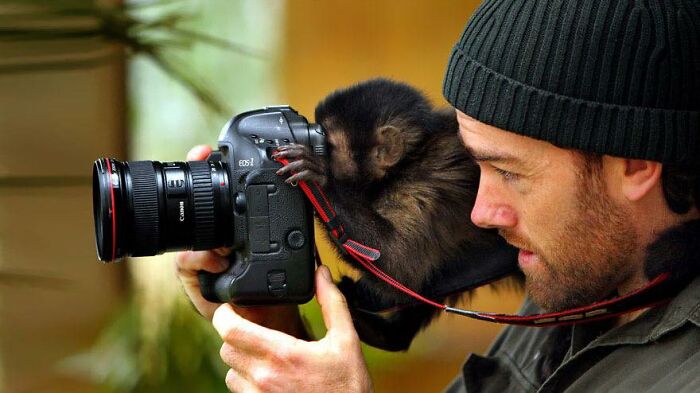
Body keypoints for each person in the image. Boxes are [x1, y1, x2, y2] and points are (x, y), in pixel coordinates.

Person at [176, 0, 700, 391]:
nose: (480, 212)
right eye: (475, 164)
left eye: (510, 172)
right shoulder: (574, 281)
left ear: (635, 165)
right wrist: (280, 329)